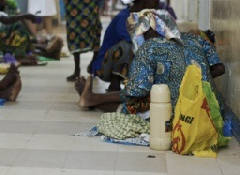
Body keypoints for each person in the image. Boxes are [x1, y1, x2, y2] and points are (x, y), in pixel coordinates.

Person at [77, 9, 225, 113]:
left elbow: (136, 91)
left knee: (137, 103)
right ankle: (92, 99)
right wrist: (193, 80)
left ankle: (92, 100)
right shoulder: (195, 38)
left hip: (178, 116)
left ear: (150, 31)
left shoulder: (150, 47)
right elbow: (220, 68)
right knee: (153, 93)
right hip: (212, 111)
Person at [90, 0, 163, 92]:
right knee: (126, 47)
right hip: (105, 67)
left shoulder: (148, 17)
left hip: (128, 61)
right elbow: (135, 42)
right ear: (144, 1)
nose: (157, 4)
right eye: (155, 1)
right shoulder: (124, 18)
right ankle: (114, 84)